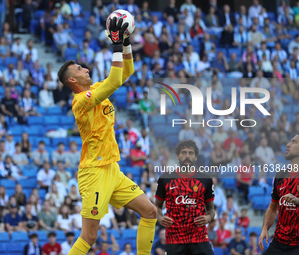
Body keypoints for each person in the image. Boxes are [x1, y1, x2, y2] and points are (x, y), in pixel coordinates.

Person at [57, 17, 157, 255]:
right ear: (72, 80)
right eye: (80, 69)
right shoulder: (81, 102)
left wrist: (126, 43)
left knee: (150, 212)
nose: (86, 69)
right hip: (93, 172)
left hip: (112, 169)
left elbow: (127, 72)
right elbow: (114, 80)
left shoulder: (94, 89)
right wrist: (115, 44)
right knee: (89, 236)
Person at [154, 140, 215, 255]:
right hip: (174, 238)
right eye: (184, 153)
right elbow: (157, 207)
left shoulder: (205, 179)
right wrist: (160, 218)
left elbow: (211, 210)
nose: (187, 156)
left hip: (199, 237)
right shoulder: (165, 179)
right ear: (177, 155)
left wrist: (208, 218)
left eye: (191, 153)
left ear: (196, 157)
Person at [259, 134, 299, 254]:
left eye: (294, 142)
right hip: (278, 243)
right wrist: (265, 228)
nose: (288, 144)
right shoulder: (281, 175)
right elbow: (273, 207)